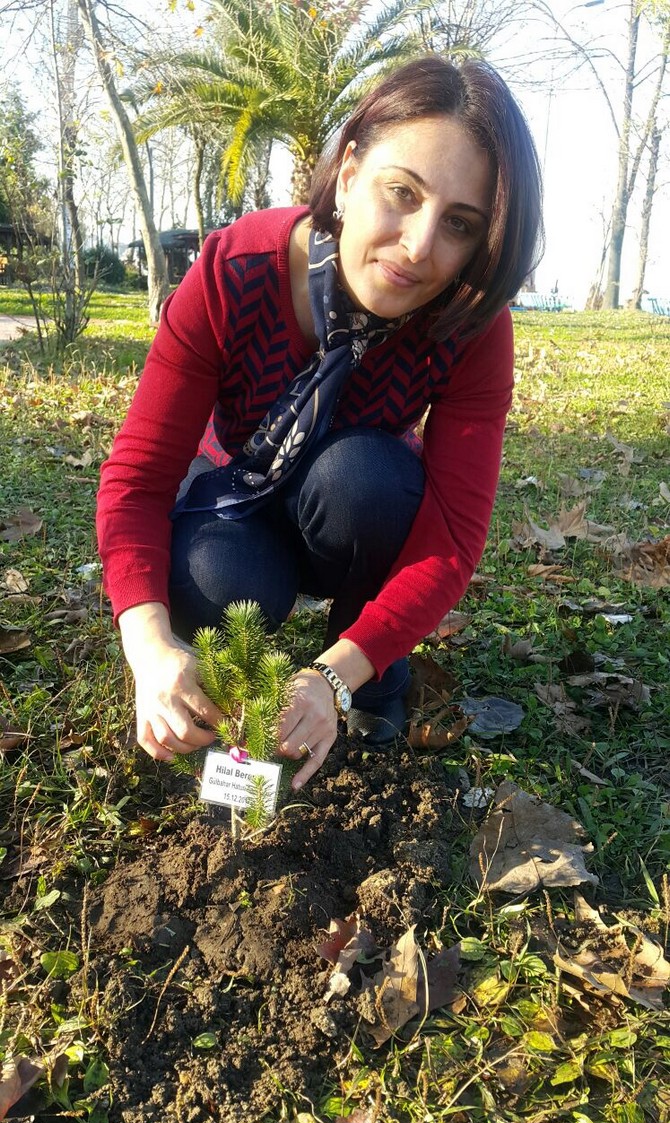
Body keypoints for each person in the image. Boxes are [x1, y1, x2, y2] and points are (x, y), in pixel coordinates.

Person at [97, 55, 543, 793]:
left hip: (351, 508)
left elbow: (453, 540)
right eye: (403, 192)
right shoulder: (234, 271)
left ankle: (372, 673)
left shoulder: (469, 326)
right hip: (235, 495)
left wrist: (337, 674)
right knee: (214, 586)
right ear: (350, 167)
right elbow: (138, 479)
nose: (419, 246)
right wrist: (147, 643)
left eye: (459, 225)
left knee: (367, 481)